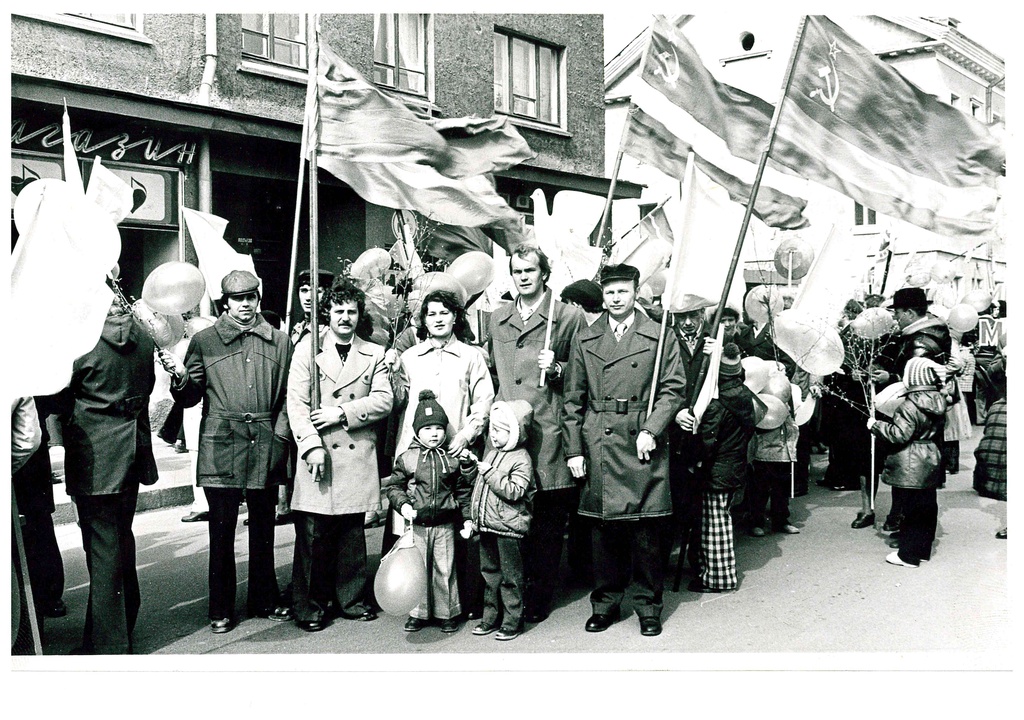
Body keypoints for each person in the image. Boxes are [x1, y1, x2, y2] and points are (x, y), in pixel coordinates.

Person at [160, 270, 293, 634]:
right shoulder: (204, 341)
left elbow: (287, 398)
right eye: (238, 299)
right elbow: (189, 397)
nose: (245, 305)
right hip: (223, 443)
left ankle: (264, 597)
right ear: (225, 303)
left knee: (264, 528)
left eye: (251, 297)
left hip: (266, 441)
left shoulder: (280, 342)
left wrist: (280, 437)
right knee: (221, 531)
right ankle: (220, 606)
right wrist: (180, 376)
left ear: (258, 300)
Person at [562, 263, 686, 637]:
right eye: (610, 292)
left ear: (635, 292)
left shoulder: (659, 334)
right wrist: (574, 450)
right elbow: (572, 401)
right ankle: (605, 603)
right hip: (599, 437)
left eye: (623, 291)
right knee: (604, 531)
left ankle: (648, 606)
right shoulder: (586, 338)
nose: (616, 298)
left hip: (641, 441)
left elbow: (673, 388)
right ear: (603, 295)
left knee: (646, 531)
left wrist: (652, 428)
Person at [285, 279, 393, 632]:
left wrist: (342, 413)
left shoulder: (374, 353)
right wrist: (311, 444)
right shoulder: (307, 350)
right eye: (338, 311)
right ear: (326, 314)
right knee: (314, 534)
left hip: (355, 451)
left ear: (360, 314)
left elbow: (383, 399)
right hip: (318, 452)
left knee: (351, 532)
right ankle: (311, 605)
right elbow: (296, 404)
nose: (345, 318)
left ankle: (351, 599)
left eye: (351, 311)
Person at [486, 244, 585, 624]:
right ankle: (512, 596)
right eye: (517, 271)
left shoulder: (568, 316)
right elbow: (496, 374)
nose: (523, 277)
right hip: (509, 435)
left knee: (545, 523)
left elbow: (582, 379)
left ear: (544, 273)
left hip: (547, 433)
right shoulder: (498, 318)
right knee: (509, 520)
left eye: (530, 270)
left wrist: (558, 367)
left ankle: (539, 597)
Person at [55, 299, 159, 653]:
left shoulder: (79, 342)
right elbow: (147, 385)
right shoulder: (143, 337)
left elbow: (56, 397)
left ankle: (109, 644)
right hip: (131, 451)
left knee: (102, 548)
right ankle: (121, 623)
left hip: (95, 456)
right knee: (118, 540)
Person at [387, 289, 494, 619]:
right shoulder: (410, 358)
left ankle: (457, 606)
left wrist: (467, 433)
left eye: (444, 313)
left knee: (455, 529)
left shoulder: (471, 356)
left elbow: (484, 400)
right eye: (431, 314)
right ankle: (415, 605)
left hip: (454, 453)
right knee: (417, 530)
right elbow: (395, 400)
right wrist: (390, 369)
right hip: (416, 454)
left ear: (455, 317)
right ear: (423, 320)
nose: (438, 319)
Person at [383, 390, 474, 633]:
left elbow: (463, 491)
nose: (434, 433)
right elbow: (393, 486)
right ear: (416, 432)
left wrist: (467, 519)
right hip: (417, 527)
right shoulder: (408, 458)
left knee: (445, 569)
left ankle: (447, 612)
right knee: (418, 569)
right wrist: (403, 505)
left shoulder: (451, 459)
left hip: (445, 525)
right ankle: (418, 613)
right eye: (427, 429)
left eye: (438, 428)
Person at [679, 343, 766, 594]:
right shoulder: (744, 396)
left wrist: (692, 456)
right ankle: (717, 574)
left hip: (716, 471)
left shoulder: (717, 405)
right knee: (722, 520)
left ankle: (719, 579)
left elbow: (707, 442)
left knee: (715, 524)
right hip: (733, 467)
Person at [463, 400, 536, 641]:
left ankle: (512, 621)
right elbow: (480, 484)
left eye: (498, 430)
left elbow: (515, 491)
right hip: (487, 525)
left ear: (513, 432)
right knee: (490, 574)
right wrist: (469, 467)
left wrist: (490, 473)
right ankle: (490, 618)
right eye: (491, 429)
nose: (492, 435)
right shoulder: (492, 452)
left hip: (508, 529)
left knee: (510, 578)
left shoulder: (521, 458)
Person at [867, 357, 948, 567]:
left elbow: (899, 435)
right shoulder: (938, 400)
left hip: (910, 460)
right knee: (927, 507)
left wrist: (876, 426)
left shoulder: (909, 405)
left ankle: (908, 555)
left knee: (910, 509)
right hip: (930, 455)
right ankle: (922, 550)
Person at [12, 395, 67, 624]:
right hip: (27, 453)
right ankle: (45, 597)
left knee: (38, 526)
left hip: (28, 457)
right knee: (38, 526)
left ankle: (47, 596)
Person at [748, 411, 801, 536]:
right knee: (760, 487)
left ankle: (781, 520)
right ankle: (756, 522)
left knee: (782, 487)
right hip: (764, 442)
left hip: (784, 444)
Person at [290, 269, 335, 346]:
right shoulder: (299, 326)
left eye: (317, 292)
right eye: (304, 290)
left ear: (327, 295)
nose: (308, 298)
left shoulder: (329, 330)